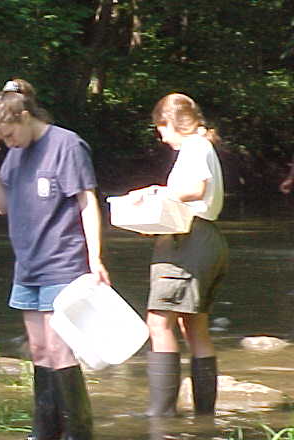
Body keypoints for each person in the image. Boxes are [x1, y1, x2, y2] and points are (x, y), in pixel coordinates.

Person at [0, 78, 110, 440]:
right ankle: (45, 430)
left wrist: (96, 258)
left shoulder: (66, 144)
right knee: (39, 349)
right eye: (2, 139)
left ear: (24, 117)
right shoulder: (14, 154)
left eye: (10, 135)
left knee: (58, 348)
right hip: (27, 266)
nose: (9, 142)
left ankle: (77, 432)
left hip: (62, 262)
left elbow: (87, 202)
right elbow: (2, 206)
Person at [132, 93, 228, 417]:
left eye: (161, 128)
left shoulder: (194, 146)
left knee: (158, 322)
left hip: (188, 241)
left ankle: (161, 417)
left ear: (171, 122)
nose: (161, 137)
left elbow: (196, 189)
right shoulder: (203, 145)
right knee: (194, 327)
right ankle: (204, 419)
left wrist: (154, 193)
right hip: (207, 239)